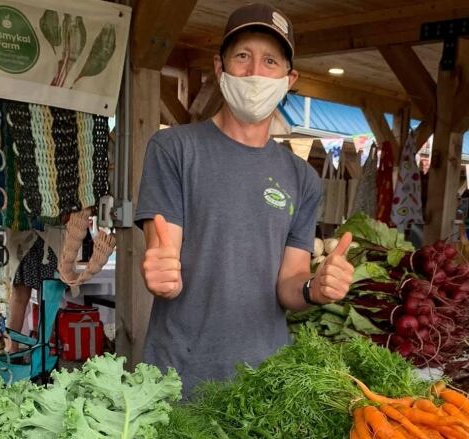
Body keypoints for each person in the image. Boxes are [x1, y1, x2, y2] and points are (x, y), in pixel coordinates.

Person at [134, 4, 355, 396]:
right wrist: (160, 275)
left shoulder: (302, 178)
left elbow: (289, 282)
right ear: (220, 68)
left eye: (270, 61)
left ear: (289, 79)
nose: (255, 72)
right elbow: (163, 252)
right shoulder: (174, 149)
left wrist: (314, 290)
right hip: (179, 378)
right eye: (242, 56)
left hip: (262, 385)